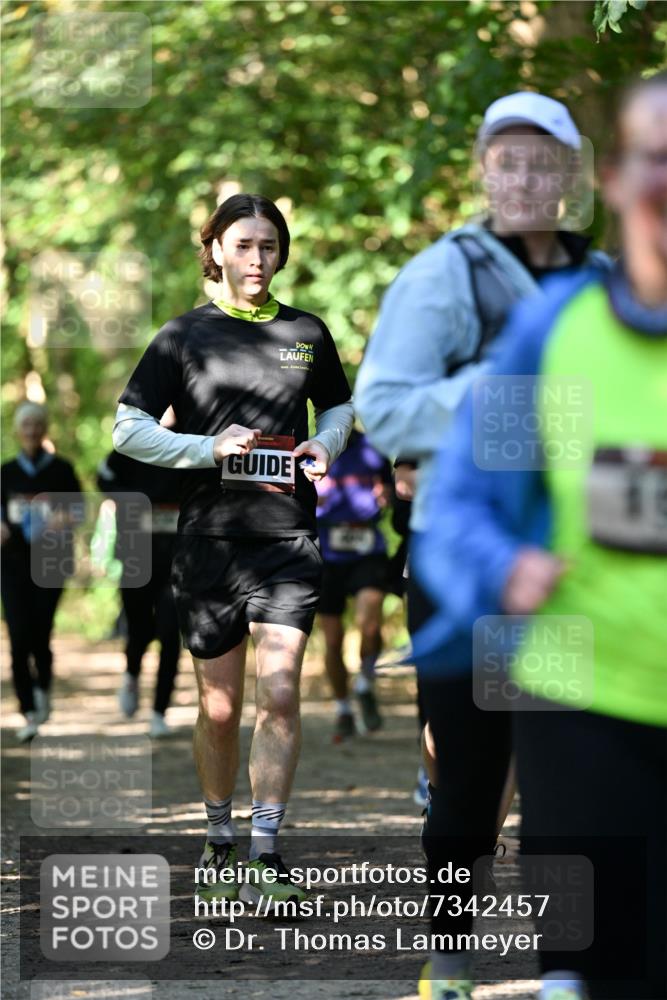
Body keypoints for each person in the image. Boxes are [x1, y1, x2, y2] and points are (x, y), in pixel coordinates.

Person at [413, 73, 666, 1000]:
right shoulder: (557, 334)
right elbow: (464, 503)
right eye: (653, 159)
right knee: (596, 966)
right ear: (615, 181)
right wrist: (502, 566)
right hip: (584, 698)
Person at [355, 92, 611, 1000]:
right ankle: (452, 957)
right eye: (505, 158)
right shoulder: (441, 276)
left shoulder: (606, 280)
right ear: (482, 171)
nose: (523, 175)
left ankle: (568, 971)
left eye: (542, 159)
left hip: (579, 567)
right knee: (470, 777)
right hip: (467, 565)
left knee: (569, 776)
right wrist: (502, 401)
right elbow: (384, 405)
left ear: (571, 175)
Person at [112, 193, 353, 906]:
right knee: (219, 708)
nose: (257, 259)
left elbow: (337, 405)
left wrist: (324, 441)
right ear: (214, 249)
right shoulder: (182, 336)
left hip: (287, 538)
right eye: (243, 245)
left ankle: (266, 852)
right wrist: (202, 447)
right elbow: (127, 429)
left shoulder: (306, 331)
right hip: (210, 543)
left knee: (279, 694)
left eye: (270, 247)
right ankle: (219, 841)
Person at [97, 408, 183, 738]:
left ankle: (160, 711)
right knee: (139, 630)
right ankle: (132, 673)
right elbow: (104, 477)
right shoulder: (130, 443)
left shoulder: (191, 440)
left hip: (176, 559)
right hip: (135, 555)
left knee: (170, 632)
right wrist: (133, 503)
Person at [1, 402, 82, 742]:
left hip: (51, 563)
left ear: (45, 428)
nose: (32, 430)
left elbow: (79, 509)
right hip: (13, 565)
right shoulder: (5, 472)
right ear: (19, 430)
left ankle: (43, 687)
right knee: (19, 637)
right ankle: (29, 711)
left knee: (41, 633)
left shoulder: (61, 470)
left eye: (37, 424)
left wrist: (65, 519)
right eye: (26, 425)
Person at [315, 427, 393, 741]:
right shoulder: (314, 444)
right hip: (326, 552)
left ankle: (365, 684)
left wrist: (384, 495)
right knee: (333, 640)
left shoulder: (374, 448)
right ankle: (343, 708)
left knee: (370, 621)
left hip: (367, 548)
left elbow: (390, 490)